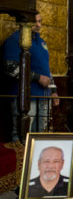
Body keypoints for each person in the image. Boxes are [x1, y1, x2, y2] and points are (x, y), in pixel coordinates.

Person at [3, 12, 59, 142]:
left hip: (44, 97)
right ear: (24, 22)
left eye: (40, 21)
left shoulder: (42, 42)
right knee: (22, 136)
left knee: (42, 136)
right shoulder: (14, 40)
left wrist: (53, 90)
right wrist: (37, 77)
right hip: (25, 97)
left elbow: (46, 69)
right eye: (35, 22)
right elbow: (10, 67)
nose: (38, 25)